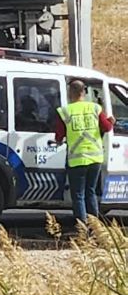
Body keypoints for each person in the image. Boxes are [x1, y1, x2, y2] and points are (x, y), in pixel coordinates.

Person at [55, 79, 114, 223]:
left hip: (77, 160)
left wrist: (60, 141)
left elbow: (59, 136)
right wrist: (111, 121)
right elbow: (107, 127)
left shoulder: (65, 111)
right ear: (84, 92)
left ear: (71, 93)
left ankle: (83, 229)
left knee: (78, 195)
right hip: (95, 159)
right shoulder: (95, 108)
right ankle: (95, 228)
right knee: (91, 192)